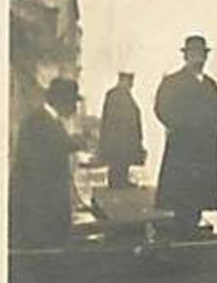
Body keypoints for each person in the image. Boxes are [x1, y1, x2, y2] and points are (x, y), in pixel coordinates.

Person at [155, 35, 217, 234]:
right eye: (194, 55)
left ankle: (193, 227)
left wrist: (215, 129)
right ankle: (183, 231)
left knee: (200, 193)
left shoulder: (210, 84)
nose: (199, 60)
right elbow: (162, 109)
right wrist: (183, 127)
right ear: (186, 57)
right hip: (183, 146)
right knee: (182, 192)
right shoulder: (173, 82)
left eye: (202, 55)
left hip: (206, 147)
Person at [10, 76, 85, 247]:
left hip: (43, 202)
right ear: (62, 100)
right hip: (40, 205)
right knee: (47, 248)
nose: (75, 108)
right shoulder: (40, 122)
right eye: (73, 102)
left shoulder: (45, 120)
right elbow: (47, 156)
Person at [97, 71, 146, 189]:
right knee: (119, 159)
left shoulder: (121, 95)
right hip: (119, 136)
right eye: (130, 81)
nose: (131, 84)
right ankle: (117, 181)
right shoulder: (116, 95)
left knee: (122, 160)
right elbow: (114, 119)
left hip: (122, 136)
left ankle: (120, 180)